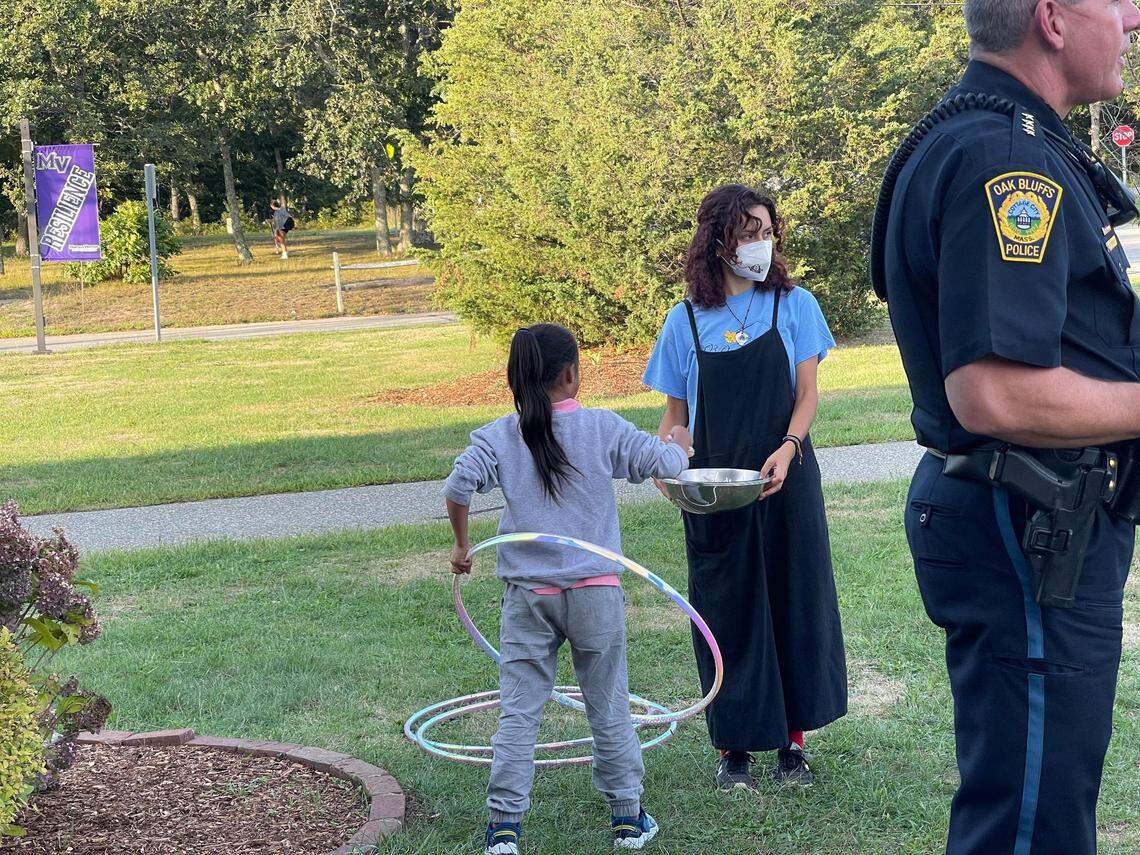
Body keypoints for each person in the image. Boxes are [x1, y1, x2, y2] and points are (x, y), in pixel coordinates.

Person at [871, 1, 1140, 852]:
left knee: (1042, 801)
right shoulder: (1002, 159)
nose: (1132, 17)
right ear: (1053, 19)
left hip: (1035, 525)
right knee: (1033, 823)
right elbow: (993, 394)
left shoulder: (992, 135)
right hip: (1029, 529)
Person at [443, 323, 694, 855]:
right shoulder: (602, 428)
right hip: (594, 593)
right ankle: (628, 820)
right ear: (570, 374)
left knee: (519, 710)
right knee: (608, 705)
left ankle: (503, 831)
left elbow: (458, 485)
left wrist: (462, 546)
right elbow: (668, 466)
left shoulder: (499, 436)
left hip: (527, 597)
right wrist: (678, 443)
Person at [643, 184, 847, 791]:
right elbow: (676, 418)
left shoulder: (796, 305)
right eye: (750, 231)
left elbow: (807, 396)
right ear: (718, 241)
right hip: (715, 491)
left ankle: (793, 743)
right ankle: (734, 746)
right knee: (724, 611)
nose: (763, 242)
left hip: (787, 476)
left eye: (767, 229)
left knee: (792, 601)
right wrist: (664, 462)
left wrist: (788, 448)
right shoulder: (682, 321)